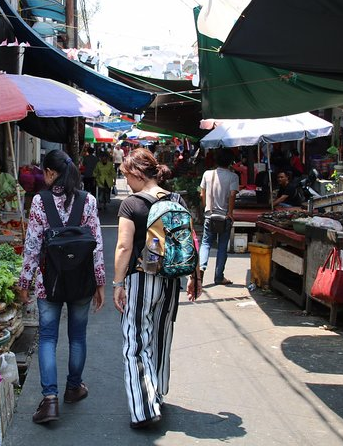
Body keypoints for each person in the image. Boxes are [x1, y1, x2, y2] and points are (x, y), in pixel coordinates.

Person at [112, 148, 201, 429]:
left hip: (142, 279)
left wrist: (117, 283)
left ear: (138, 173)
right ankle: (157, 393)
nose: (127, 182)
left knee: (135, 343)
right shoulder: (176, 199)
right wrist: (195, 277)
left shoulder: (132, 204)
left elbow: (124, 247)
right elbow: (191, 240)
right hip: (172, 281)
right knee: (162, 337)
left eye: (127, 176)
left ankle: (144, 409)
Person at [17, 149, 106, 424]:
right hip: (81, 281)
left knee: (48, 338)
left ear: (52, 173)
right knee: (77, 337)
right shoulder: (88, 200)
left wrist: (24, 283)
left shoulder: (40, 202)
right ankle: (73, 388)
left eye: (45, 172)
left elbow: (32, 246)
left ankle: (50, 400)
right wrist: (100, 283)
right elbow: (96, 245)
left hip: (48, 282)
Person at [199, 148, 239, 286]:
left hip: (210, 215)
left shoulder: (207, 174)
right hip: (224, 217)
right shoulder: (233, 176)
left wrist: (206, 208)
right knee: (222, 246)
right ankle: (219, 277)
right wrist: (230, 213)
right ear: (230, 162)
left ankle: (201, 269)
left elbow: (202, 194)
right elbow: (233, 195)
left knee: (205, 244)